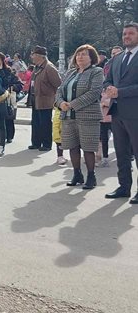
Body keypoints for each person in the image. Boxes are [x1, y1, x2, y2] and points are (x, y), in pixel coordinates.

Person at [55, 45, 104, 189]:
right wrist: (61, 102)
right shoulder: (71, 73)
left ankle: (91, 176)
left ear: (91, 57)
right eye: (78, 54)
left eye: (84, 54)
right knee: (72, 146)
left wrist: (72, 104)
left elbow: (94, 93)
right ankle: (77, 174)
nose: (80, 57)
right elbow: (59, 91)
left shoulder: (96, 72)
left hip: (88, 117)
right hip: (68, 117)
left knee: (88, 148)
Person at [104, 23, 138, 203]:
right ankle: (124, 187)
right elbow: (107, 80)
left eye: (131, 33)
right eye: (125, 34)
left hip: (135, 113)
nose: (127, 36)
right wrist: (108, 88)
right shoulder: (117, 59)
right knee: (121, 152)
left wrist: (120, 92)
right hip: (117, 113)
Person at [28, 46, 62, 151]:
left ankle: (46, 144)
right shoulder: (36, 67)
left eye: (33, 54)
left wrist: (48, 91)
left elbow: (58, 83)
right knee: (36, 122)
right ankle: (36, 142)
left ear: (39, 56)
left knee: (45, 123)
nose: (32, 57)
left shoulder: (49, 68)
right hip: (35, 99)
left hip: (45, 100)